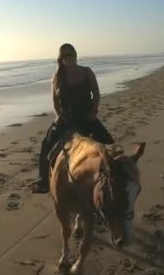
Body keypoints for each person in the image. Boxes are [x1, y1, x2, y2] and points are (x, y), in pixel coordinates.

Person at [32, 43, 114, 194]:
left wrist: (93, 112)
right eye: (64, 55)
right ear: (60, 59)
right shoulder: (57, 76)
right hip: (66, 118)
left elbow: (96, 94)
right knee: (47, 145)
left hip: (86, 116)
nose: (68, 58)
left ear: (75, 55)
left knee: (108, 142)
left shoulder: (86, 72)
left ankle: (114, 174)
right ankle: (43, 180)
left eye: (70, 54)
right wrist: (59, 116)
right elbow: (55, 101)